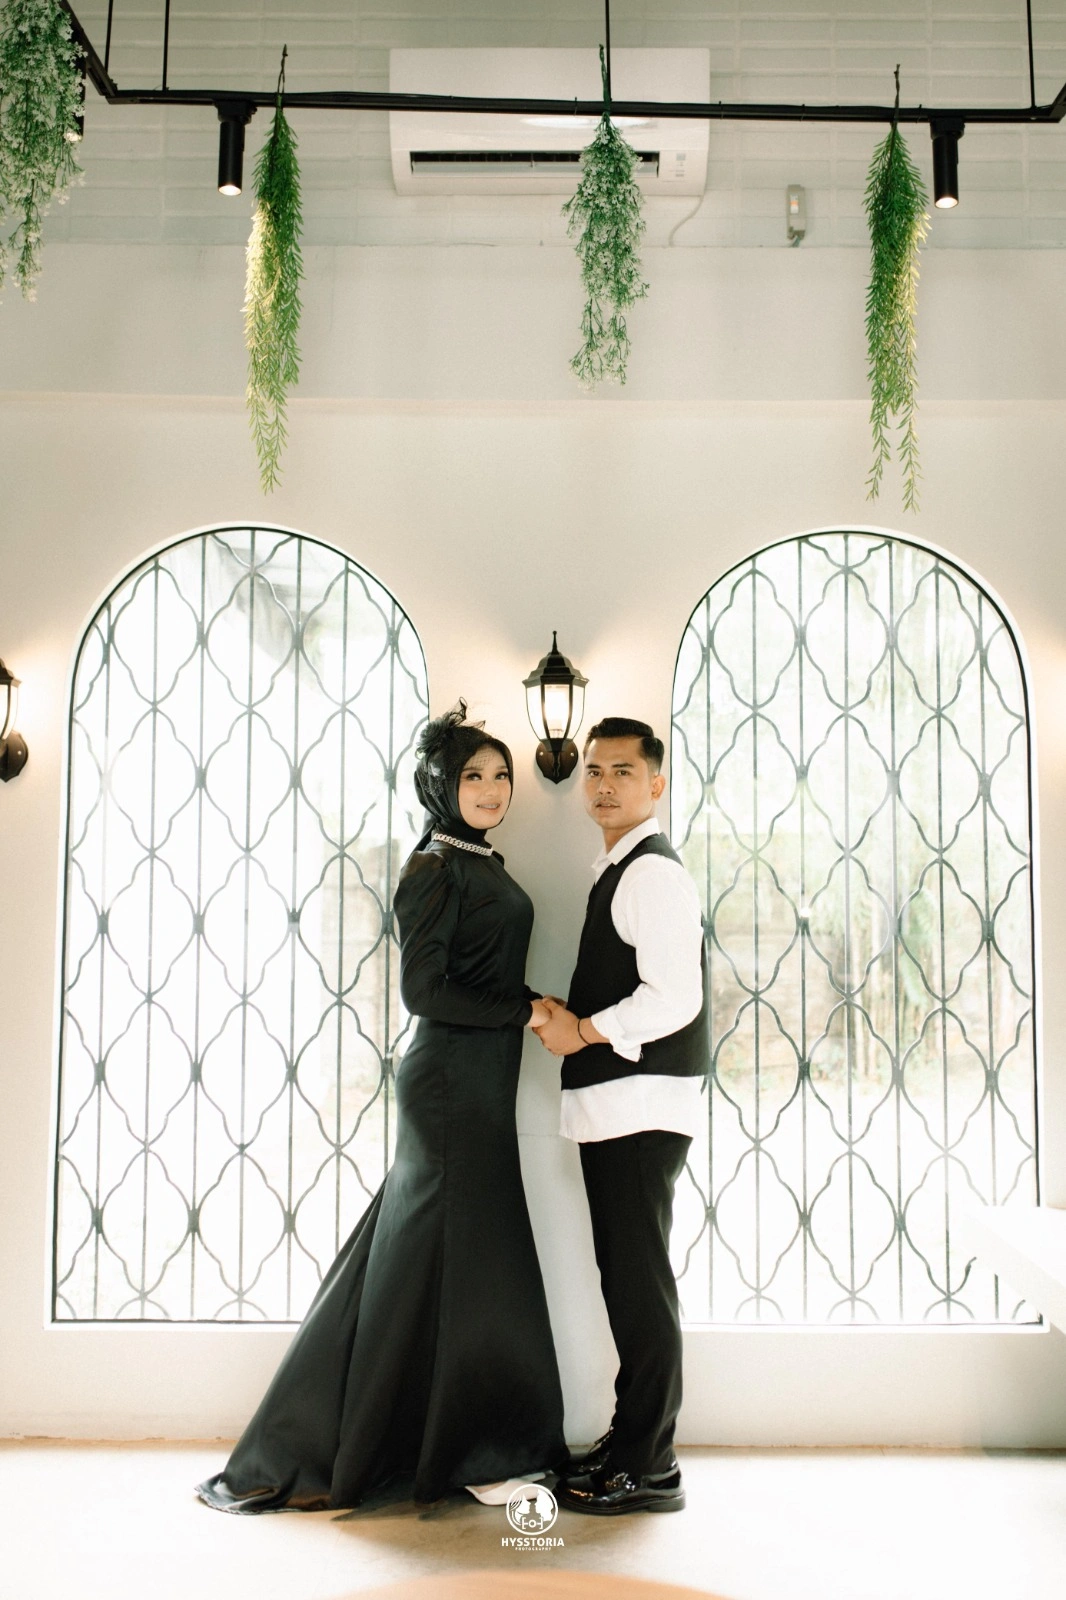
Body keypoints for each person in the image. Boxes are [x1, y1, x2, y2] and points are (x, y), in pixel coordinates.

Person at [195, 702, 565, 1513]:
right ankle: (472, 1448)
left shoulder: (477, 860)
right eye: (474, 775)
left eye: (501, 775)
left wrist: (531, 1005)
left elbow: (481, 973)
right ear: (439, 785)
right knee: (471, 1251)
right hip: (450, 1082)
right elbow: (423, 992)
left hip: (479, 1076)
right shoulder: (433, 867)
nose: (493, 788)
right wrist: (526, 1009)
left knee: (440, 1252)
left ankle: (431, 1437)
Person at [534, 716, 709, 1516]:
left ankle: (649, 1463)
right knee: (629, 1280)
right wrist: (570, 1017)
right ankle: (631, 1439)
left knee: (639, 1286)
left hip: (640, 1109)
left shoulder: (651, 874)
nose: (605, 785)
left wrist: (583, 1031)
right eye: (596, 772)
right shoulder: (621, 868)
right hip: (621, 1106)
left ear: (656, 785)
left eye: (624, 772)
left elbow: (675, 998)